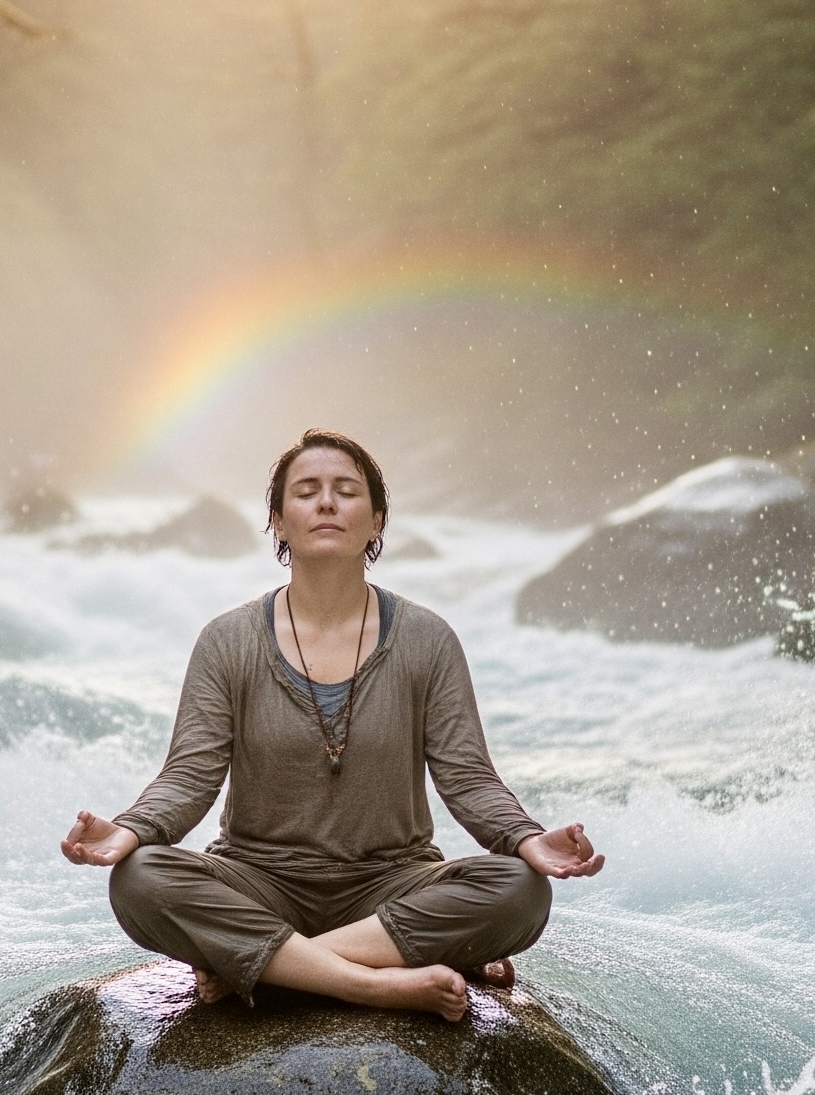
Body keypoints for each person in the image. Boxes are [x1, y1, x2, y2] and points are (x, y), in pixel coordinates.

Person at [60, 429, 604, 1022]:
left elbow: (467, 776)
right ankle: (370, 982)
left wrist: (527, 839)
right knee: (138, 879)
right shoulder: (228, 641)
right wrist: (131, 831)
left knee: (520, 891)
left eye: (345, 491)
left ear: (375, 521)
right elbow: (190, 774)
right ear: (278, 521)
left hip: (391, 885)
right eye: (307, 492)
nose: (326, 503)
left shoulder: (427, 640)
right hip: (257, 882)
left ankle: (279, 969)